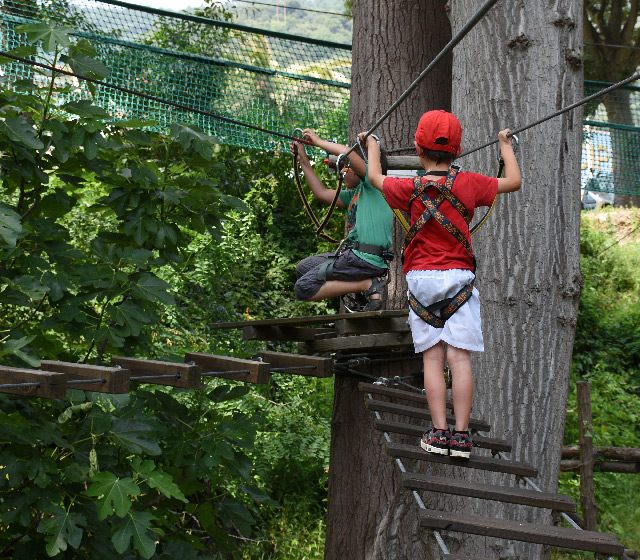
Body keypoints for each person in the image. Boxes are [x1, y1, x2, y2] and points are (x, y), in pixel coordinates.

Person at [361, 110, 521, 458]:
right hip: (459, 280)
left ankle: (438, 433)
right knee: (459, 358)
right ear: (458, 151)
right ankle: (461, 437)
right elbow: (513, 182)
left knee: (432, 359)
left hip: (421, 281)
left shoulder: (407, 188)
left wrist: (372, 145)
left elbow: (374, 177)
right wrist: (505, 146)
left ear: (419, 150)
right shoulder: (469, 184)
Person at [291, 129, 394, 311]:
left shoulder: (374, 186)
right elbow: (321, 193)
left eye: (347, 167)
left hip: (365, 259)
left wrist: (319, 141)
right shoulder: (356, 194)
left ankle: (367, 285)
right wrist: (303, 159)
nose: (344, 171)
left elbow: (350, 154)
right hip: (354, 256)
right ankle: (366, 286)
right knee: (303, 268)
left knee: (303, 288)